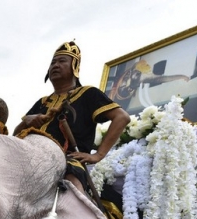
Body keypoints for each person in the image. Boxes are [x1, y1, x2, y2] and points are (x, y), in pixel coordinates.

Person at [13, 41, 130, 193]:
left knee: (71, 191)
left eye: (62, 61)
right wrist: (26, 122)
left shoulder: (88, 94)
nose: (55, 65)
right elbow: (16, 135)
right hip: (29, 160)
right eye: (53, 62)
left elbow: (122, 117)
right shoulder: (42, 102)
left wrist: (98, 155)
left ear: (75, 67)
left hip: (67, 160)